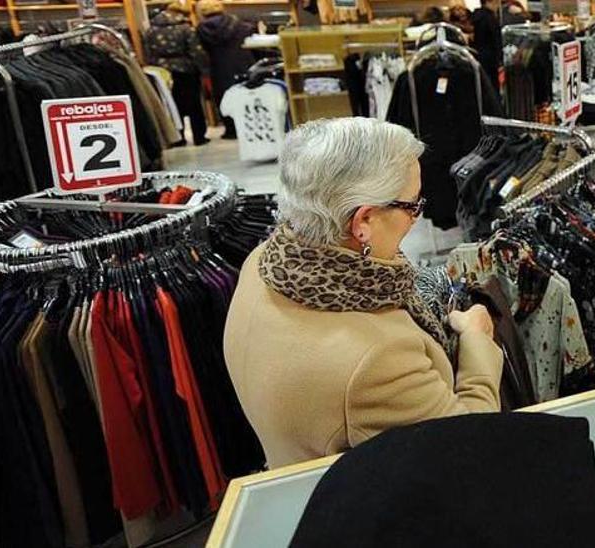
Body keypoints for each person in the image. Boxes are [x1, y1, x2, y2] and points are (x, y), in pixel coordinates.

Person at [224, 118, 503, 468]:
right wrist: (478, 342)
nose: (418, 215)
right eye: (413, 205)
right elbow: (467, 445)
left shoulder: (263, 262)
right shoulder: (377, 362)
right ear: (363, 223)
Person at [143, 1, 208, 146]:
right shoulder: (185, 29)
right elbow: (196, 51)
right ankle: (199, 136)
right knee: (194, 104)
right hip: (185, 69)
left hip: (161, 72)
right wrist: (204, 69)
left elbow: (147, 52)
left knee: (170, 104)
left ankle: (177, 138)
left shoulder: (151, 30)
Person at [196, 0, 255, 140]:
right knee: (246, 94)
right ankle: (248, 126)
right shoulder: (239, 24)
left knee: (224, 97)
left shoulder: (201, 29)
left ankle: (231, 130)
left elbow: (201, 51)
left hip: (218, 66)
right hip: (242, 62)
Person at [469, 0, 502, 87]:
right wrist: (499, 58)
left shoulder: (476, 16)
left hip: (478, 54)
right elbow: (496, 39)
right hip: (491, 57)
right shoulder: (489, 18)